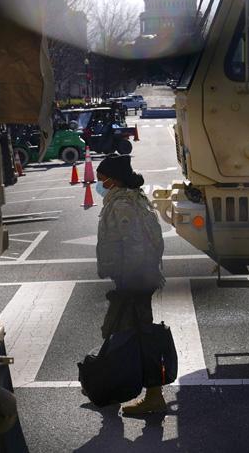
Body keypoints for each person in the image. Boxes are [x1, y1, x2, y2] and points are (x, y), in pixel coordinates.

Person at [94, 153, 166, 415]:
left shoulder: (122, 204)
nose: (98, 183)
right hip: (138, 277)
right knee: (117, 330)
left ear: (113, 180)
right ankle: (110, 387)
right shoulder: (133, 198)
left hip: (134, 279)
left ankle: (154, 396)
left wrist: (128, 283)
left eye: (101, 178)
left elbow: (135, 244)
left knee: (139, 335)